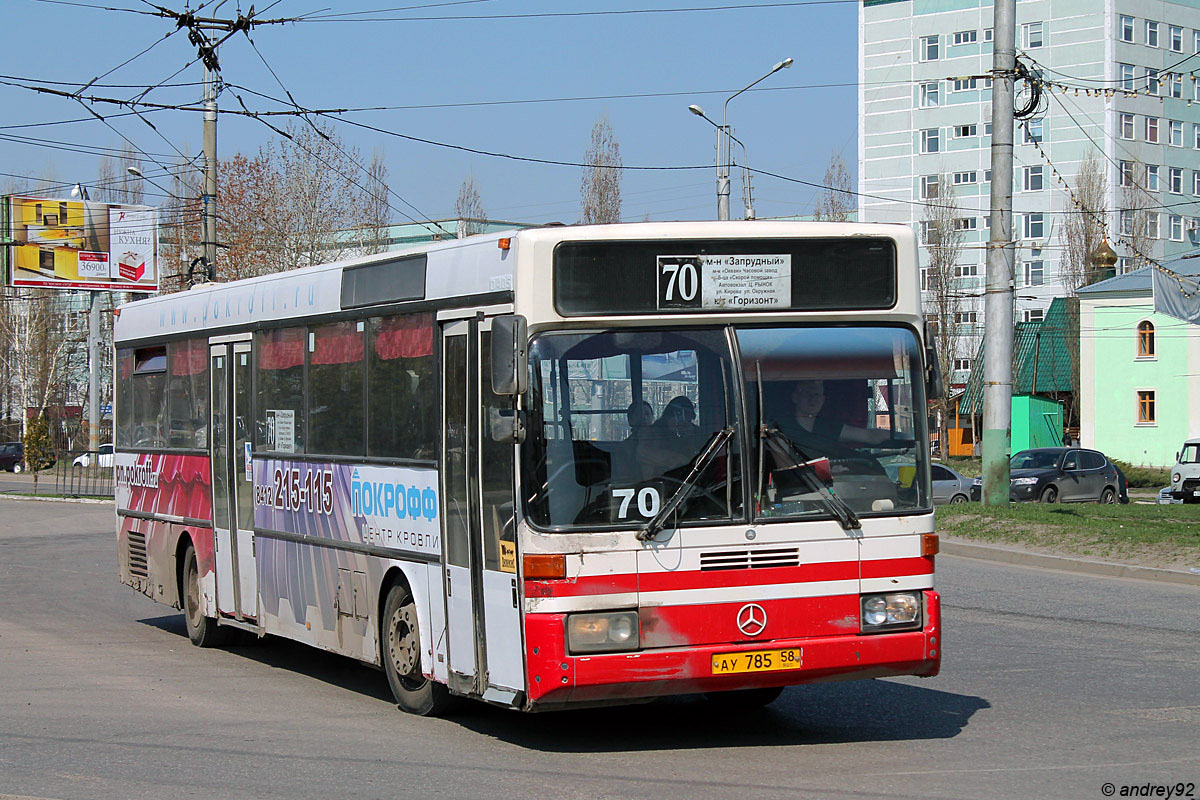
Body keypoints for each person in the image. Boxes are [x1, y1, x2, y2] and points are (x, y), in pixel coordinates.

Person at [780, 379, 892, 452]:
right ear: (795, 397)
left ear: (823, 400)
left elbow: (870, 436)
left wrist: (904, 436)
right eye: (807, 394)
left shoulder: (826, 427)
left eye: (817, 395)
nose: (812, 399)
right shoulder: (782, 428)